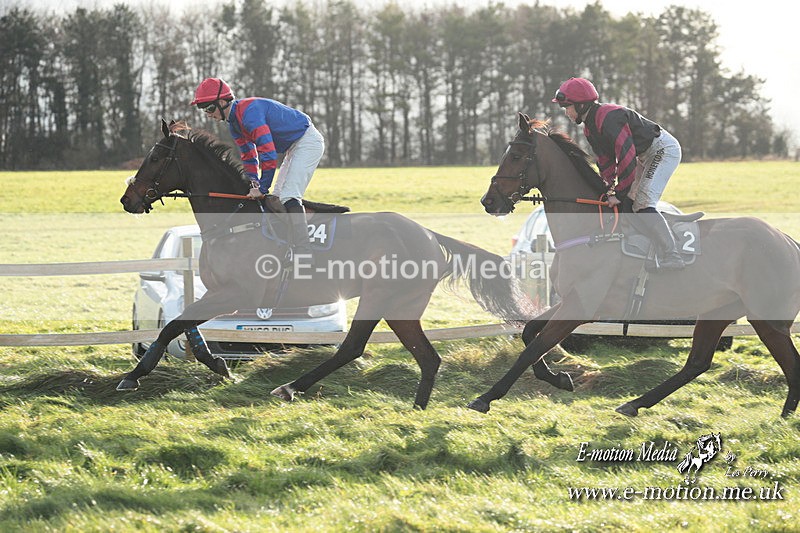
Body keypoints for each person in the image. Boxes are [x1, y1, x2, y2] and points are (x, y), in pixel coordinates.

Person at [552, 77, 685, 270]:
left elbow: (626, 157)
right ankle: (645, 251)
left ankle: (673, 255)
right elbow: (605, 160)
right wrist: (608, 189)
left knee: (643, 203)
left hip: (662, 151)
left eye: (567, 107)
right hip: (643, 155)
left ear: (581, 105)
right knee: (628, 205)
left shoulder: (609, 118)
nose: (566, 113)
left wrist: (619, 194)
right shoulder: (590, 128)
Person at [190, 77, 324, 263]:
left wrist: (262, 188)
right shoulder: (234, 123)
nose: (208, 114)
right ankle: (289, 245)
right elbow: (248, 155)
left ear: (222, 102)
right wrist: (253, 181)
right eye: (203, 110)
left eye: (209, 108)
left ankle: (304, 252)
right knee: (277, 198)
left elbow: (267, 152)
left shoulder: (249, 114)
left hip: (308, 141)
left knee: (289, 196)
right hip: (292, 147)